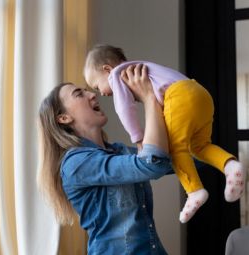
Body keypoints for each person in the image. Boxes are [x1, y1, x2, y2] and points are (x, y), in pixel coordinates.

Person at [82, 44, 246, 223]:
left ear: (107, 70)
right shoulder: (139, 69)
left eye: (97, 87)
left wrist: (138, 138)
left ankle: (194, 190)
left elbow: (124, 109)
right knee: (199, 147)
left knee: (175, 148)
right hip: (200, 94)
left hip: (179, 96)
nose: (102, 94)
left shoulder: (117, 75)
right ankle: (230, 165)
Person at [37, 65, 170, 254]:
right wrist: (149, 98)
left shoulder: (120, 151)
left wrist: (222, 160)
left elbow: (169, 161)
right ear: (64, 118)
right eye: (78, 94)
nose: (92, 94)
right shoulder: (76, 163)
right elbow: (152, 164)